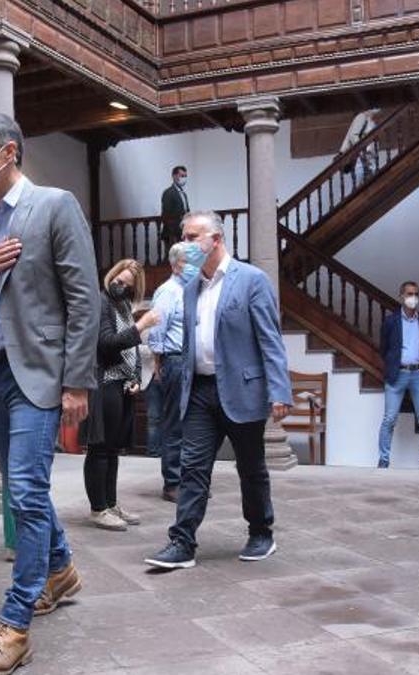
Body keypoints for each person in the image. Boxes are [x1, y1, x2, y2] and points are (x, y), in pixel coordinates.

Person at [0, 112, 100, 675]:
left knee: (26, 494)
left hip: (39, 372)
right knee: (24, 489)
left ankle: (15, 625)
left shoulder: (54, 206)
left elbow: (83, 298)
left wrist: (78, 381)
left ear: (8, 152)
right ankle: (60, 567)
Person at [145, 210, 293, 571]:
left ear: (216, 239)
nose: (185, 244)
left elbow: (269, 340)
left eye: (193, 237)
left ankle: (261, 532)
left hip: (241, 389)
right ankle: (182, 542)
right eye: (184, 236)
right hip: (199, 389)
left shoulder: (251, 280)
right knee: (192, 467)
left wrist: (279, 390)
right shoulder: (191, 284)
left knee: (251, 467)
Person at [80, 259, 159, 531]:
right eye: (118, 280)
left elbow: (131, 351)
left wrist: (136, 376)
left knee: (113, 449)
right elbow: (106, 344)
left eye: (126, 285)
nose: (120, 286)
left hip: (123, 384)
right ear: (110, 276)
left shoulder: (123, 305)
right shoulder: (101, 302)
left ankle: (111, 503)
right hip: (104, 382)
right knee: (99, 448)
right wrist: (140, 327)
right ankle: (97, 509)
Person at [147, 243, 193, 502]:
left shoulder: (191, 290)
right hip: (174, 361)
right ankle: (173, 483)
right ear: (176, 265)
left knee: (193, 425)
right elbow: (156, 331)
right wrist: (158, 364)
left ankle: (189, 481)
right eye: (190, 261)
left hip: (193, 361)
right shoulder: (168, 291)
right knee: (174, 425)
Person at [376, 281, 419, 470]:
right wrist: (394, 362)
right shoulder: (390, 321)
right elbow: (384, 348)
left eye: (416, 294)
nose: (413, 298)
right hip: (397, 374)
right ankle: (384, 460)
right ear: (401, 296)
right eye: (409, 294)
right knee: (389, 419)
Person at [159, 165, 189, 251]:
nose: (184, 178)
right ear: (174, 176)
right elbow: (166, 214)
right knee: (172, 260)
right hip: (172, 234)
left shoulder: (183, 194)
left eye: (185, 176)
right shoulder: (168, 192)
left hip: (182, 232)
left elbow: (187, 212)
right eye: (182, 176)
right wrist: (174, 233)